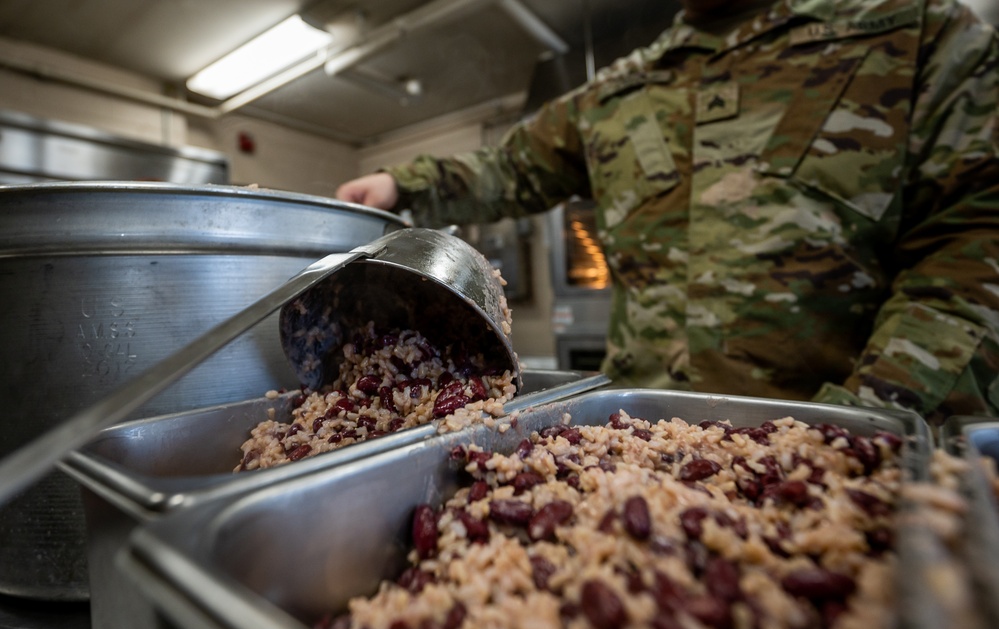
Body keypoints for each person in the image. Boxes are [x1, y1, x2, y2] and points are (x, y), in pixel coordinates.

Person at [337, 0, 999, 426]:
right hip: (643, 444)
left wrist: (864, 422)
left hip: (852, 449)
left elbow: (975, 242)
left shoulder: (918, 34)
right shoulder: (615, 91)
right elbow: (507, 168)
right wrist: (400, 182)